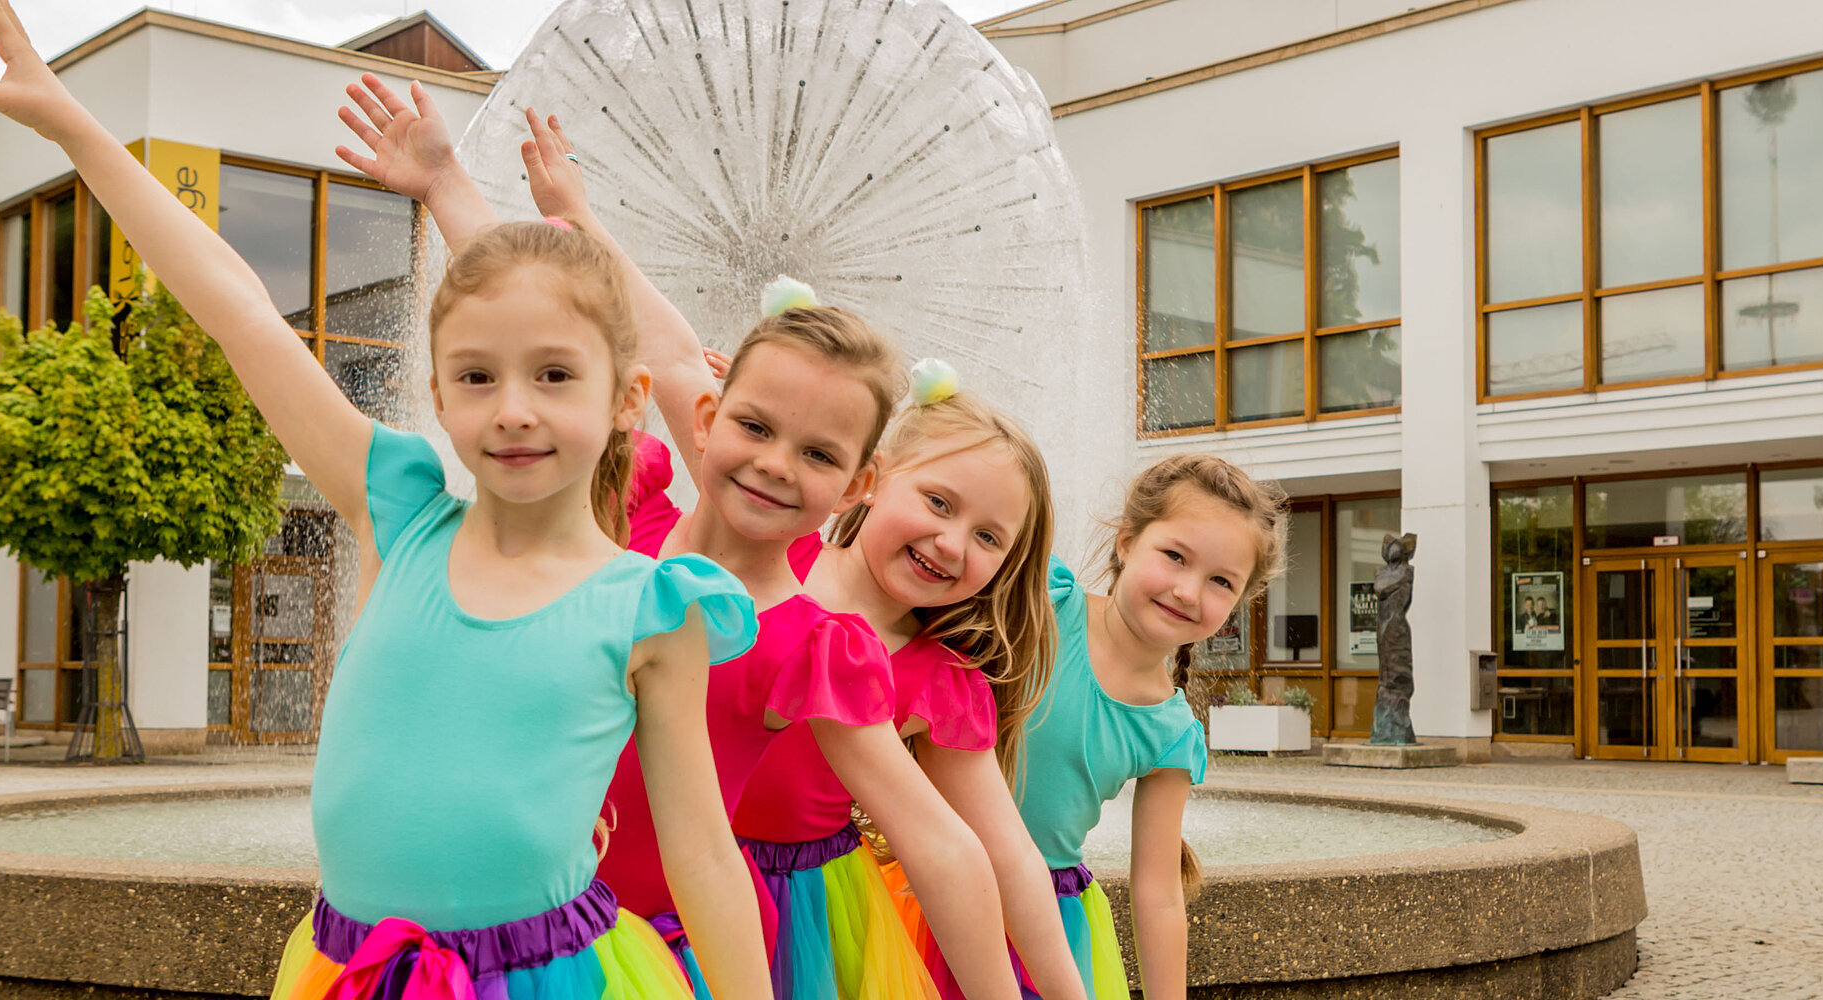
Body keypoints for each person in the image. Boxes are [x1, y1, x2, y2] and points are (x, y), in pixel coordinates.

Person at [0, 7, 768, 998]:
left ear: (627, 400)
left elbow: (706, 855)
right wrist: (77, 129)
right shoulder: (402, 512)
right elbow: (237, 306)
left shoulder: (654, 606)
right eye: (475, 377)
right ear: (441, 390)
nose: (512, 410)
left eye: (553, 375)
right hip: (355, 969)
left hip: (550, 979)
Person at [327, 78, 1034, 1000]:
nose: (777, 465)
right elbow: (548, 335)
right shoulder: (634, 517)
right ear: (705, 417)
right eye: (756, 429)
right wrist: (448, 183)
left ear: (857, 483)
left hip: (650, 961)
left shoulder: (809, 644)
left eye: (818, 453)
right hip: (508, 946)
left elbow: (940, 842)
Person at [752, 371, 1090, 1000]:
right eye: (939, 502)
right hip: (681, 869)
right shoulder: (769, 556)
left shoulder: (942, 682)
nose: (951, 542)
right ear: (871, 480)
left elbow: (1007, 857)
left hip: (814, 915)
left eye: (989, 537)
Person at [1009, 456, 1288, 1000]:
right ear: (1127, 541)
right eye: (1175, 556)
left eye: (1220, 581)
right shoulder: (1045, 602)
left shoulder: (1170, 732)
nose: (1188, 590)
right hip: (932, 877)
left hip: (1042, 919)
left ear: (1238, 602)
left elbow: (1158, 893)